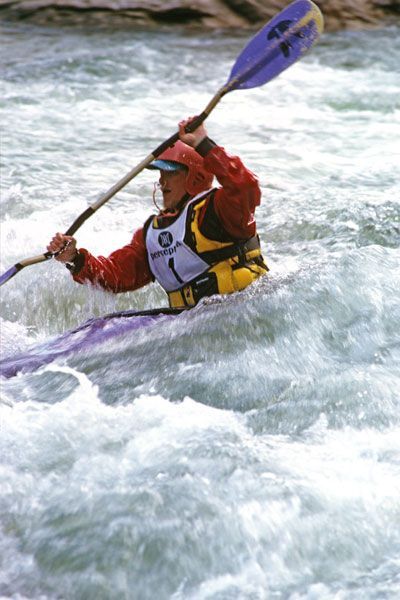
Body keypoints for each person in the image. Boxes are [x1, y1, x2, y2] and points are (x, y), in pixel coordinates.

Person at [47, 117, 268, 309]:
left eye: (170, 173)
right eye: (161, 173)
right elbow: (116, 276)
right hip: (194, 321)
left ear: (195, 176)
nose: (161, 182)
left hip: (243, 306)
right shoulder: (151, 233)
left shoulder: (219, 210)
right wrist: (75, 259)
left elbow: (246, 187)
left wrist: (204, 144)